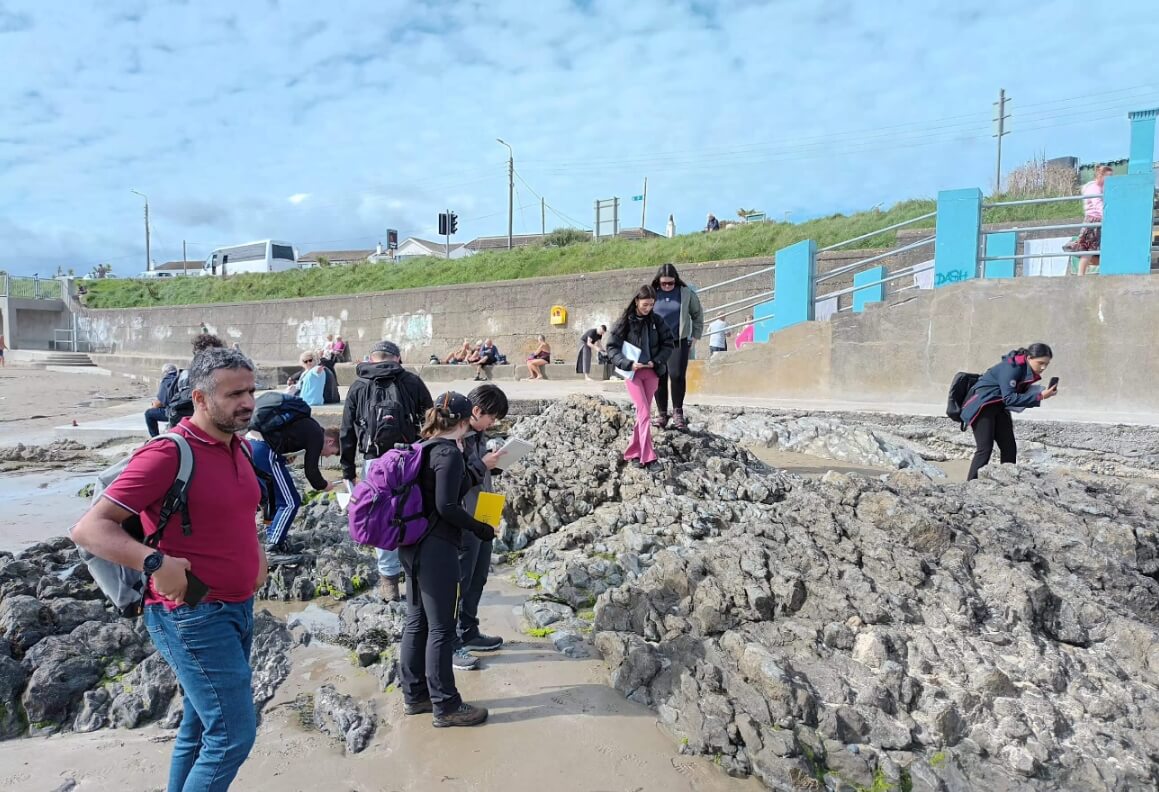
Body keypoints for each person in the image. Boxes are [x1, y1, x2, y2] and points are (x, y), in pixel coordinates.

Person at [72, 347, 265, 790]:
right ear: (200, 398)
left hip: (237, 607)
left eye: (251, 391)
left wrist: (258, 552)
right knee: (233, 737)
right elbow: (88, 529)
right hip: (191, 615)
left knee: (199, 728)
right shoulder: (168, 453)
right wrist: (155, 561)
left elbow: (240, 511)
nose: (248, 402)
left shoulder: (239, 447)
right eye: (235, 394)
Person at [398, 391, 495, 728]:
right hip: (437, 549)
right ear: (466, 421)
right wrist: (480, 528)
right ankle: (446, 705)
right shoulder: (448, 453)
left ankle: (415, 696)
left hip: (410, 545)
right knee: (441, 628)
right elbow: (447, 506)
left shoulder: (420, 447)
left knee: (416, 621)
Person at [340, 340, 433, 602]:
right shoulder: (412, 381)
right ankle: (417, 575)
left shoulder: (359, 385)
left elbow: (347, 429)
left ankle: (389, 581)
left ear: (371, 358)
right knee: (415, 510)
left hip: (375, 461)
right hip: (410, 458)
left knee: (381, 517)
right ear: (398, 358)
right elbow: (430, 421)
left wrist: (347, 469)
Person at [454, 384, 510, 670]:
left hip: (486, 509)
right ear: (476, 411)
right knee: (459, 581)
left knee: (478, 577)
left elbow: (479, 471)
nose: (493, 423)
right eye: (492, 417)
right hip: (465, 516)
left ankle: (469, 630)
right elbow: (453, 481)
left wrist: (494, 464)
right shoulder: (455, 438)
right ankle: (451, 642)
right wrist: (482, 465)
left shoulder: (478, 436)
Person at [959, 343, 1058, 481]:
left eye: (1046, 364)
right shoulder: (1012, 368)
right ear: (1029, 358)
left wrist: (1035, 393)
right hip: (982, 406)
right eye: (1040, 363)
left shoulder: (1024, 368)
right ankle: (971, 485)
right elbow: (1010, 398)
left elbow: (1009, 397)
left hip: (999, 406)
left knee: (1009, 447)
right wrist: (1040, 396)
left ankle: (1008, 482)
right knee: (984, 449)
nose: (1043, 368)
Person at [605, 285, 675, 471]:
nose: (648, 308)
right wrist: (627, 363)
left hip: (652, 373)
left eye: (651, 305)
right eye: (645, 304)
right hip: (633, 374)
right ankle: (649, 458)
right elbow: (611, 348)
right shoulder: (623, 322)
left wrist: (656, 361)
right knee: (644, 413)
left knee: (642, 415)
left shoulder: (657, 321)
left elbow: (669, 343)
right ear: (636, 301)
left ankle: (633, 452)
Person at [249, 420, 340, 560]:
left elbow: (284, 442)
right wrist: (324, 485)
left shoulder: (309, 430)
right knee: (290, 502)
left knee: (271, 499)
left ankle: (273, 538)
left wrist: (285, 457)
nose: (327, 456)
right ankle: (273, 546)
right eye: (332, 453)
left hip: (251, 445)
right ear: (330, 441)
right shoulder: (317, 436)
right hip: (264, 449)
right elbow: (311, 472)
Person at [651, 264, 704, 430]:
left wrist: (695, 336)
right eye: (664, 283)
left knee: (677, 375)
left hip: (678, 341)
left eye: (671, 283)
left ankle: (677, 413)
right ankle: (661, 414)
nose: (667, 286)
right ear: (658, 281)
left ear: (676, 280)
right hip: (657, 342)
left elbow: (697, 314)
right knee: (659, 377)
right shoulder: (652, 293)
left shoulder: (686, 293)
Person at [1064, 165, 1113, 276]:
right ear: (1100, 176)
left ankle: (1083, 272)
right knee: (1089, 249)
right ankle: (1081, 274)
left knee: (1093, 250)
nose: (1110, 179)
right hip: (1093, 221)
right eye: (1108, 176)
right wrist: (1108, 216)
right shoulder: (1094, 188)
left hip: (1099, 221)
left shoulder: (1101, 188)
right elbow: (1098, 205)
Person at [145, 364, 180, 437]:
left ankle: (155, 437)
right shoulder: (180, 379)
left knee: (148, 414)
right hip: (186, 411)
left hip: (174, 413)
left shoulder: (166, 381)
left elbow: (160, 403)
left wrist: (153, 405)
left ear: (165, 372)